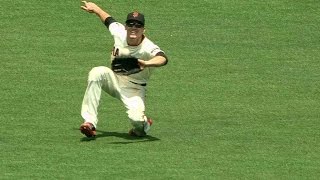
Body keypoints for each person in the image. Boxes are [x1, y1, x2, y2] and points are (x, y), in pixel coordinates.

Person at [79, 1, 168, 137]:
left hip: (134, 89)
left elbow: (163, 58)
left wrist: (146, 63)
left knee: (136, 122)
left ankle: (144, 124)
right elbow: (108, 20)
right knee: (96, 72)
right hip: (114, 80)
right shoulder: (119, 32)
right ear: (125, 27)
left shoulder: (147, 47)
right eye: (130, 24)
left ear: (144, 29)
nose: (134, 27)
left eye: (138, 25)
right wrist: (95, 8)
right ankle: (90, 122)